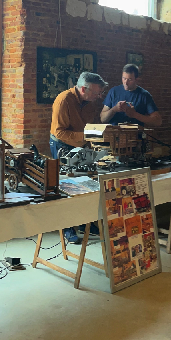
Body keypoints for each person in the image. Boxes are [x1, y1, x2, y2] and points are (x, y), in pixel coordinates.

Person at [50, 71, 107, 244]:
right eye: (96, 93)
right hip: (62, 145)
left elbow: (88, 126)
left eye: (100, 93)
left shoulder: (89, 102)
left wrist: (96, 139)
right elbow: (59, 132)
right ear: (83, 89)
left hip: (81, 144)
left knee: (85, 185)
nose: (99, 96)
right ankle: (67, 227)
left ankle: (84, 223)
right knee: (66, 188)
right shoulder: (64, 100)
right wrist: (86, 137)